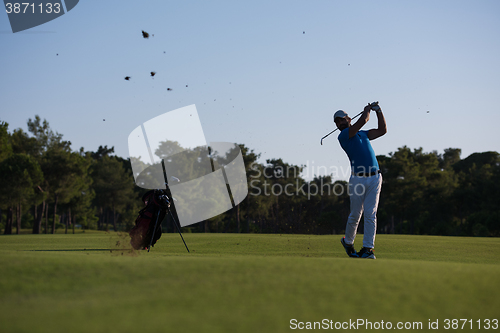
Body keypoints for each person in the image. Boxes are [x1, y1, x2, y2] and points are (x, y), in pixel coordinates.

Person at [335, 102, 387, 259]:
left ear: (349, 119)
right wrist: (367, 111)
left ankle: (367, 249)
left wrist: (378, 111)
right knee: (356, 214)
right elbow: (363, 120)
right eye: (337, 122)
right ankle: (348, 242)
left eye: (342, 119)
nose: (339, 123)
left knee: (371, 214)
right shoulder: (343, 135)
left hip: (375, 177)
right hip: (357, 179)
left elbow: (382, 131)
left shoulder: (363, 134)